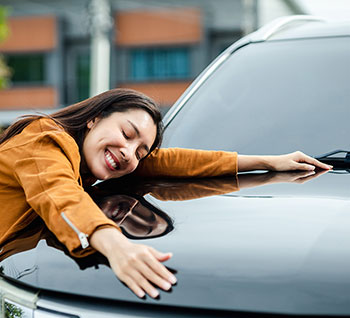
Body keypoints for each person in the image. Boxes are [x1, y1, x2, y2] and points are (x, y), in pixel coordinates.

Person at [0, 88, 331, 299]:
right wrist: (117, 247)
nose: (130, 153)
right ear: (94, 119)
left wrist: (268, 161)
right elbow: (59, 195)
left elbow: (173, 162)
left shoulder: (93, 160)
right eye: (127, 133)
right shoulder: (43, 140)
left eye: (140, 151)